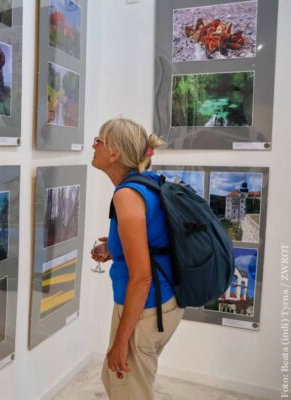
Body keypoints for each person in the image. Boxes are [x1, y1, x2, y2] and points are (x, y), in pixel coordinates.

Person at [91, 118, 184, 400]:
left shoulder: (127, 195)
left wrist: (121, 342)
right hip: (161, 303)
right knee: (121, 383)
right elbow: (153, 241)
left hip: (145, 309)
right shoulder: (148, 183)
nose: (94, 145)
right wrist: (114, 250)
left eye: (100, 140)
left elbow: (142, 277)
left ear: (115, 153)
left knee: (128, 391)